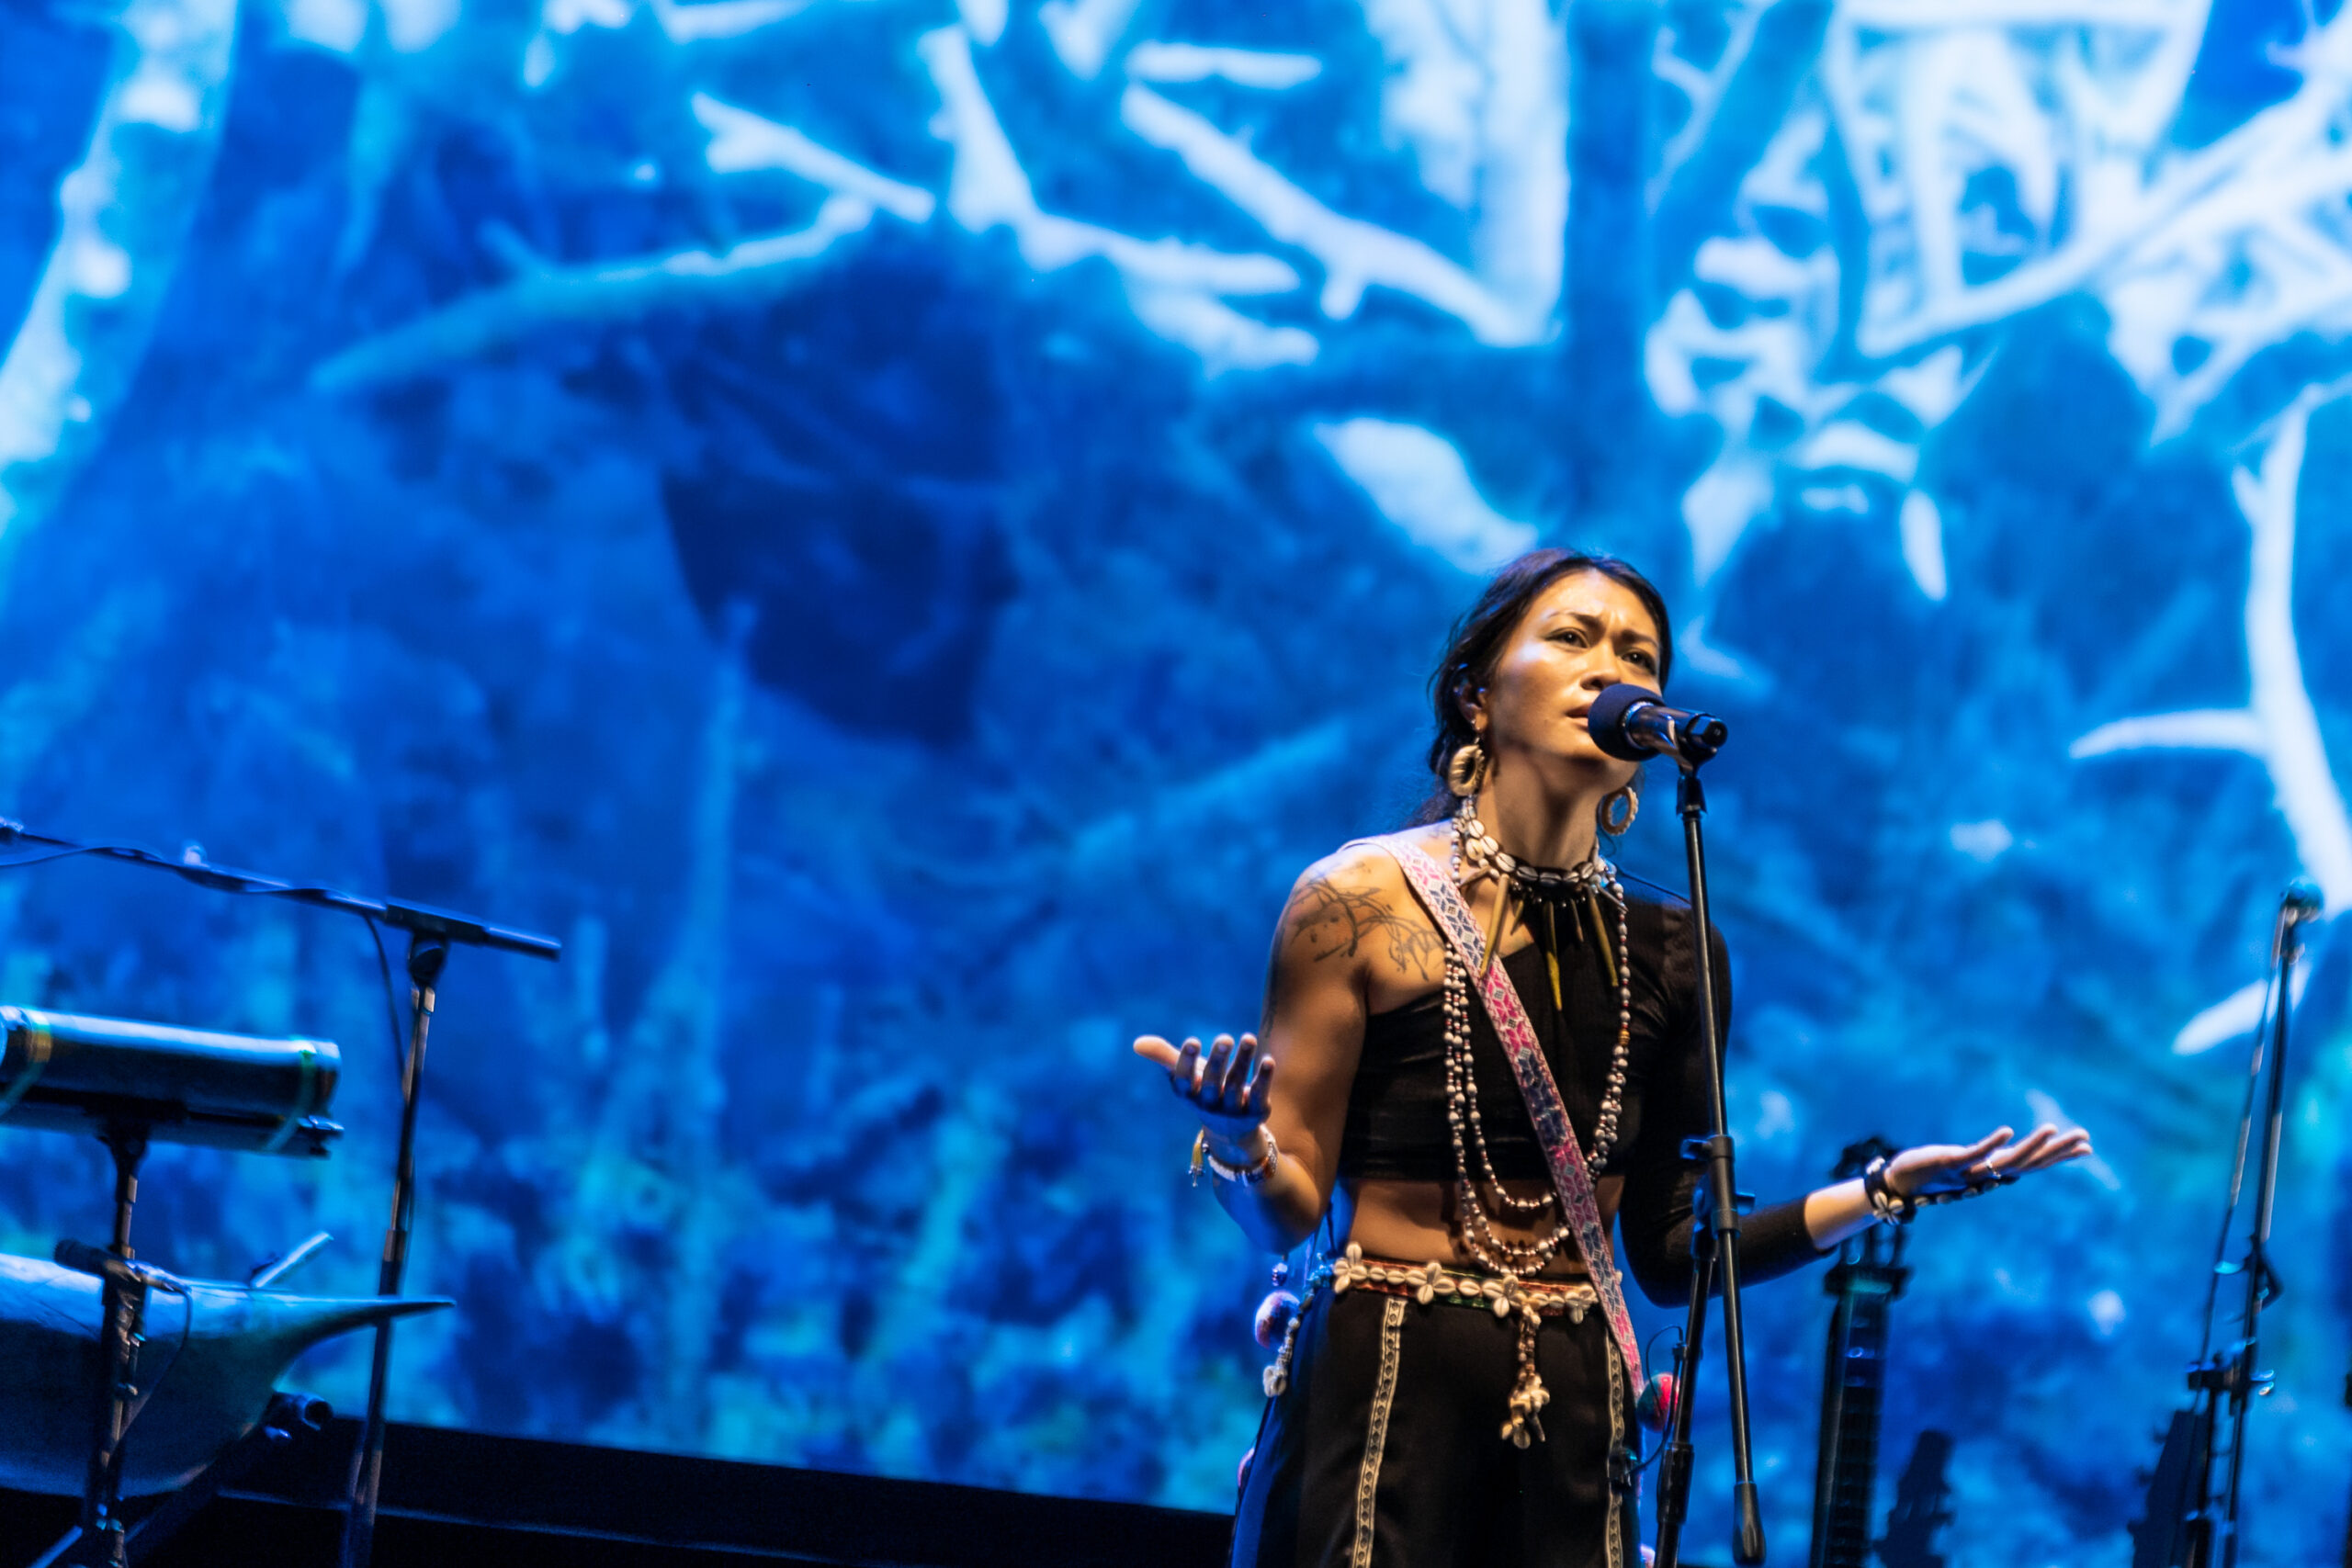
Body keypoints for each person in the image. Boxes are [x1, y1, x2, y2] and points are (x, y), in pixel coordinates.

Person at [1132, 550, 2092, 1568]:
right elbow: (1284, 1208)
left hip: (1576, 1403)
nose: (1611, 671)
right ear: (1473, 690)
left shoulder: (1677, 947)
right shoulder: (1358, 899)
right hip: (1382, 1385)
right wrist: (1238, 1141)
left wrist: (1879, 1190)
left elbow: (1675, 1258)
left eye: (1638, 655)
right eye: (1571, 637)